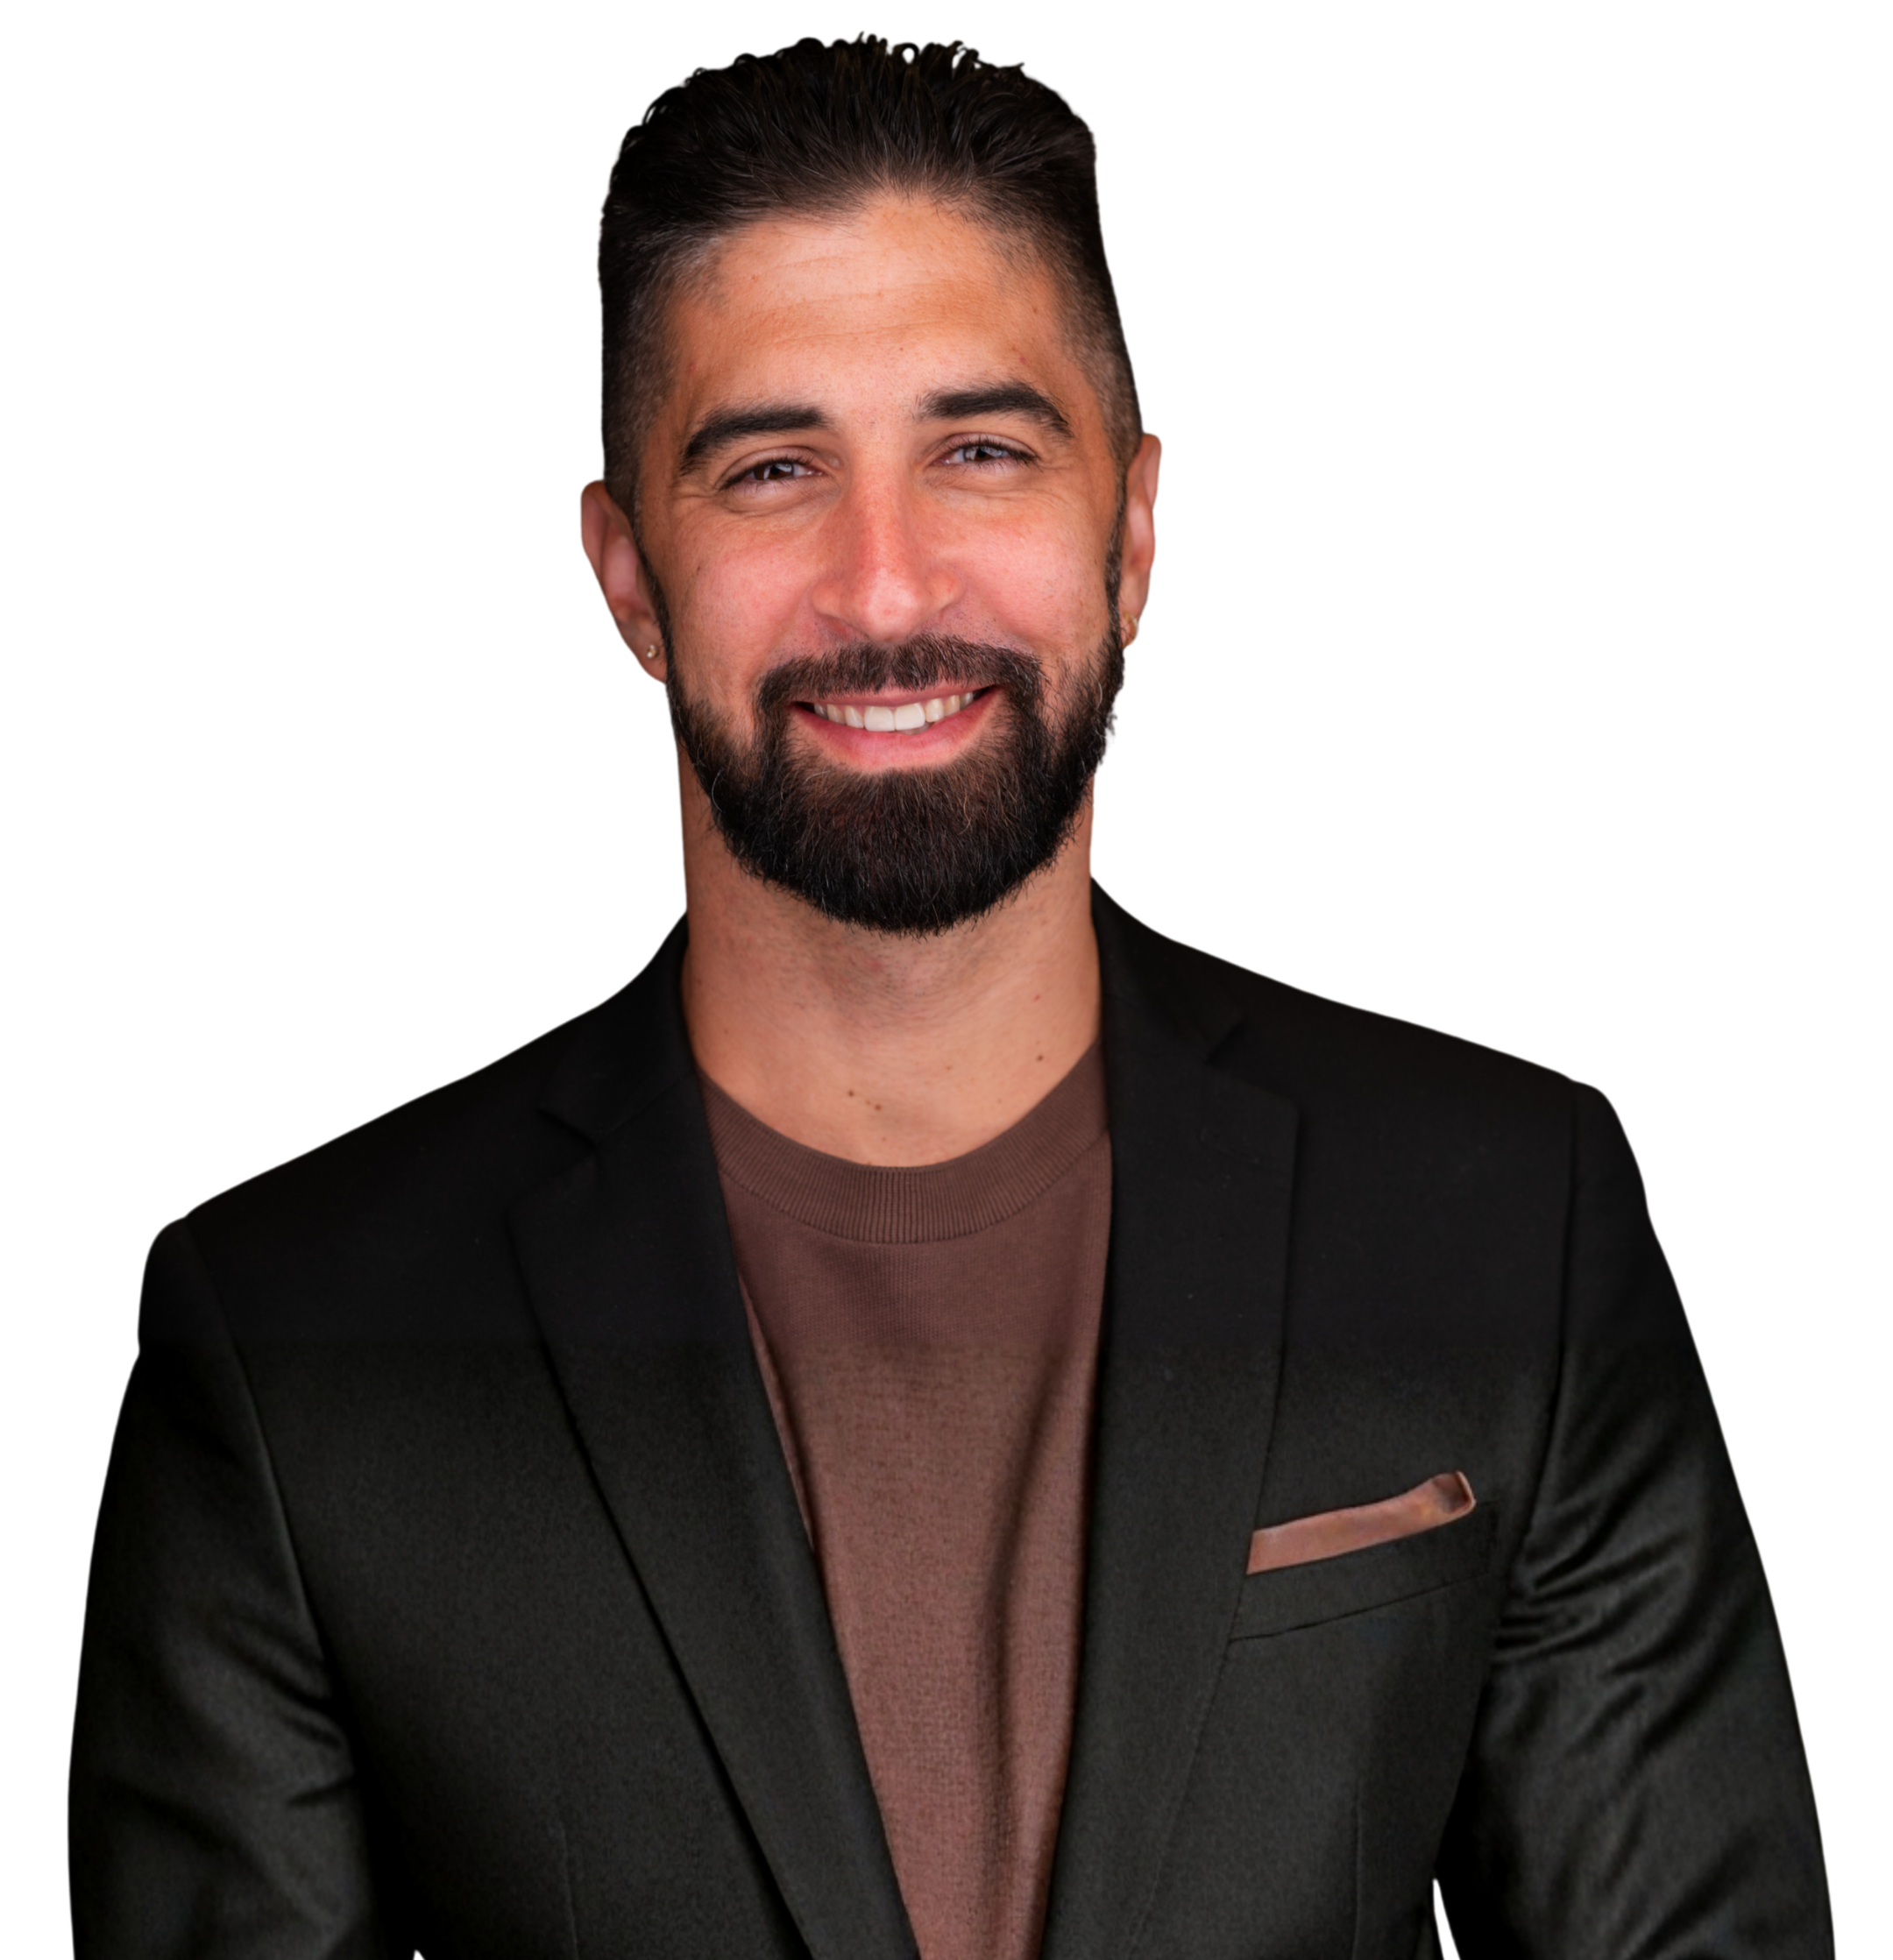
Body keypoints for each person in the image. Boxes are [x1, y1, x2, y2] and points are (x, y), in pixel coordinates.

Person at [70, 34, 1830, 1958]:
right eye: (772, 470)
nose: (886, 584)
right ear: (631, 585)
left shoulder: (1512, 1221)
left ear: (1136, 533)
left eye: (980, 450)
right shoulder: (291, 1345)